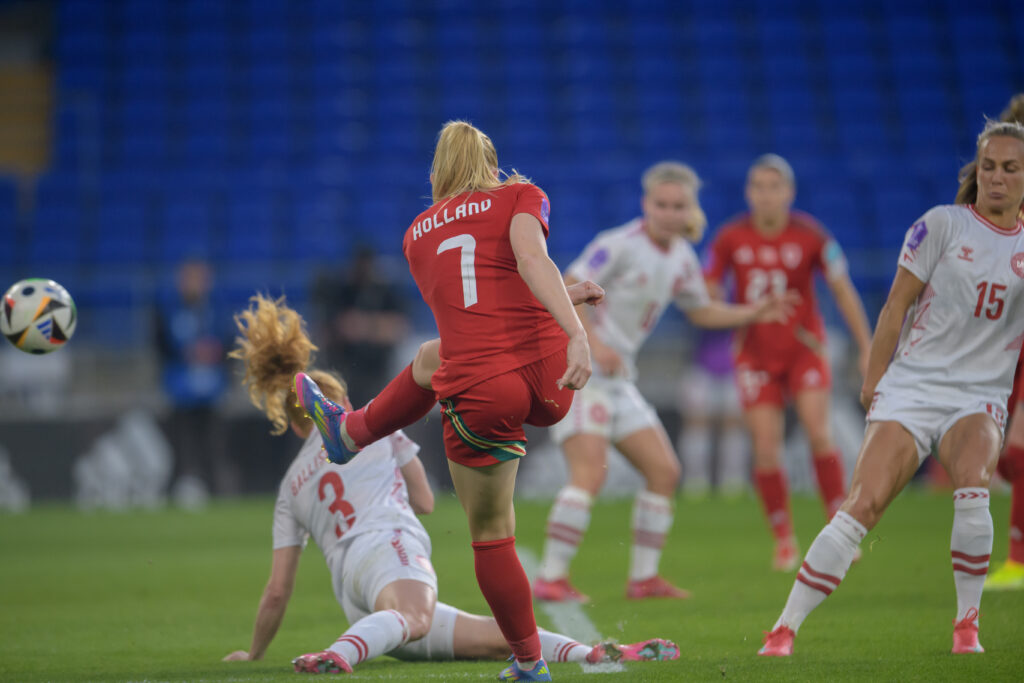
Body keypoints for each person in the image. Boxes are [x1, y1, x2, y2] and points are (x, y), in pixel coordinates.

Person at [221, 294, 679, 674]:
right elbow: (424, 500)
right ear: (339, 403)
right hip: (389, 549)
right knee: (415, 614)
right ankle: (336, 656)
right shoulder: (379, 432)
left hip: (359, 598)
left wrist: (254, 652)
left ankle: (596, 653)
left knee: (503, 638)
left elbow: (278, 590)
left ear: (298, 424)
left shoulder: (289, 488)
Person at [296, 120, 600, 682]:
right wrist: (575, 325)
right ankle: (354, 430)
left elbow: (476, 308)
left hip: (486, 391)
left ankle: (530, 664)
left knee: (491, 534)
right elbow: (528, 266)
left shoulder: (416, 235)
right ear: (491, 165)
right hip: (552, 379)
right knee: (431, 355)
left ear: (436, 173)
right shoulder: (521, 193)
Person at [758, 119, 1024, 657]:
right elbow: (896, 304)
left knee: (973, 487)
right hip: (914, 386)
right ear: (978, 171)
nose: (997, 178)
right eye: (989, 167)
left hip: (979, 395)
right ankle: (783, 629)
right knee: (863, 505)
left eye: (1011, 168)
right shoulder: (942, 225)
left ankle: (966, 625)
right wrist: (875, 379)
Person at [533, 161, 794, 602]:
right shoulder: (618, 244)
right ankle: (550, 577)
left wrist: (752, 311)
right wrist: (592, 342)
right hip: (582, 374)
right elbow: (568, 283)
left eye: (679, 206)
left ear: (690, 209)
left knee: (664, 472)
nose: (670, 213)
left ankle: (644, 579)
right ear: (646, 205)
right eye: (662, 205)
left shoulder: (681, 258)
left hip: (619, 381)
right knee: (587, 474)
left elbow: (701, 310)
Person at [704, 154, 872, 571]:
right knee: (766, 447)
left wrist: (867, 347)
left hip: (803, 348)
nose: (766, 194)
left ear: (789, 193)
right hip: (756, 352)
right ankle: (783, 540)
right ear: (748, 193)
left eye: (773, 187)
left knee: (819, 433)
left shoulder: (812, 236)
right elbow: (705, 290)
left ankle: (839, 529)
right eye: (758, 187)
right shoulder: (729, 238)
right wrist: (734, 309)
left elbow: (843, 290)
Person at [153, 258, 236, 504]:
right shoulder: (168, 310)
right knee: (179, 448)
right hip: (180, 390)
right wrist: (185, 353)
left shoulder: (216, 310)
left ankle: (217, 495)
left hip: (212, 390)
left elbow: (230, 346)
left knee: (212, 448)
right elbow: (161, 345)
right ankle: (171, 495)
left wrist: (215, 353)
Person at [984, 92, 1024, 591]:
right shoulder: (992, 192)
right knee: (1006, 455)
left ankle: (1016, 559)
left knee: (1017, 445)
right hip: (1001, 337)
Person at [310, 246, 410, 406]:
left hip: (377, 372)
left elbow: (398, 328)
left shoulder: (385, 291)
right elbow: (328, 328)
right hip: (344, 372)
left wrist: (364, 325)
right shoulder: (341, 290)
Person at [677, 328, 748, 500]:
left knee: (733, 425)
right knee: (696, 424)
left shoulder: (740, 300)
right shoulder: (700, 301)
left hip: (736, 367)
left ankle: (733, 482)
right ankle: (695, 482)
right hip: (701, 366)